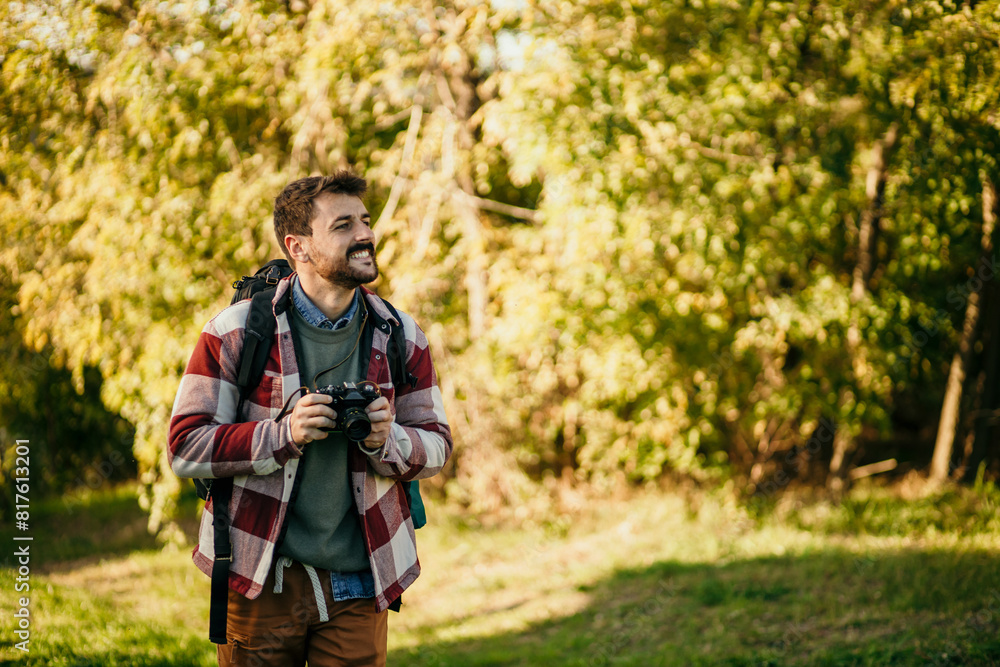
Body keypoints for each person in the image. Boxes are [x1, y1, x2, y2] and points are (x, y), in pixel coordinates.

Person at [168, 170, 453, 666]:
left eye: (365, 221)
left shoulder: (401, 335)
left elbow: (438, 446)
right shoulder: (237, 331)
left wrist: (388, 440)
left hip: (362, 578)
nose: (365, 234)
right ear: (297, 246)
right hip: (262, 575)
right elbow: (185, 447)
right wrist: (284, 435)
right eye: (343, 225)